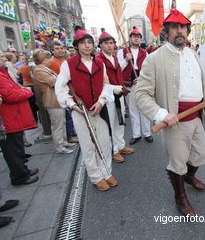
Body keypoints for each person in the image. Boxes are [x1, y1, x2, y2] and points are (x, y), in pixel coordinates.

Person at [134, 9, 205, 216]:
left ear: (188, 30)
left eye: (182, 27)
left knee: (200, 156)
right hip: (175, 121)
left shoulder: (192, 53)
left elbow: (201, 83)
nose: (179, 31)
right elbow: (141, 95)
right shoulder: (154, 59)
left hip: (197, 116)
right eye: (174, 27)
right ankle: (180, 196)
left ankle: (189, 177)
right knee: (178, 163)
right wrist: (162, 114)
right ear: (166, 31)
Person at [55, 27, 117, 191]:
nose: (87, 46)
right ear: (76, 46)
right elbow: (60, 88)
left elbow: (106, 85)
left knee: (104, 142)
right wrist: (72, 104)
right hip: (80, 111)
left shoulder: (99, 62)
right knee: (88, 145)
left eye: (89, 42)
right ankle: (96, 176)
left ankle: (106, 171)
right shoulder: (68, 64)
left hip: (99, 109)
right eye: (82, 43)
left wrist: (102, 101)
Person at [0, 50, 39, 186]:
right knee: (13, 150)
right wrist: (27, 91)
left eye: (3, 56)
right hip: (9, 120)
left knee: (17, 148)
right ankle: (20, 177)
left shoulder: (3, 73)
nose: (3, 58)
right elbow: (10, 95)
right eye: (1, 56)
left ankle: (23, 171)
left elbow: (15, 89)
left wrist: (21, 90)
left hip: (13, 118)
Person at [96, 30, 134, 163]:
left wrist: (126, 60)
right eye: (106, 43)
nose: (109, 46)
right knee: (111, 124)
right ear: (100, 45)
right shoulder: (98, 60)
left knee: (120, 121)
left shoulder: (114, 57)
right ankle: (114, 150)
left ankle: (121, 145)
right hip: (109, 96)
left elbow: (119, 70)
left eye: (111, 43)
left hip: (119, 94)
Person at [33, 49, 74, 154]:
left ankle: (64, 141)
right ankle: (59, 146)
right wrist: (61, 78)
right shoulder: (39, 70)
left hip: (57, 99)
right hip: (52, 100)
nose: (49, 59)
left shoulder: (45, 69)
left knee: (62, 122)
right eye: (47, 58)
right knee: (57, 125)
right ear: (42, 59)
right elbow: (54, 82)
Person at [117, 27, 153, 145]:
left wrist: (142, 78)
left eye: (138, 37)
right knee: (133, 110)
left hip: (141, 82)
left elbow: (148, 69)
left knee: (144, 108)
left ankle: (147, 133)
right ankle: (136, 134)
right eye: (134, 36)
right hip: (129, 83)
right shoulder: (122, 52)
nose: (136, 38)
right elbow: (118, 69)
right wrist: (126, 60)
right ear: (130, 38)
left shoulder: (145, 52)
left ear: (140, 39)